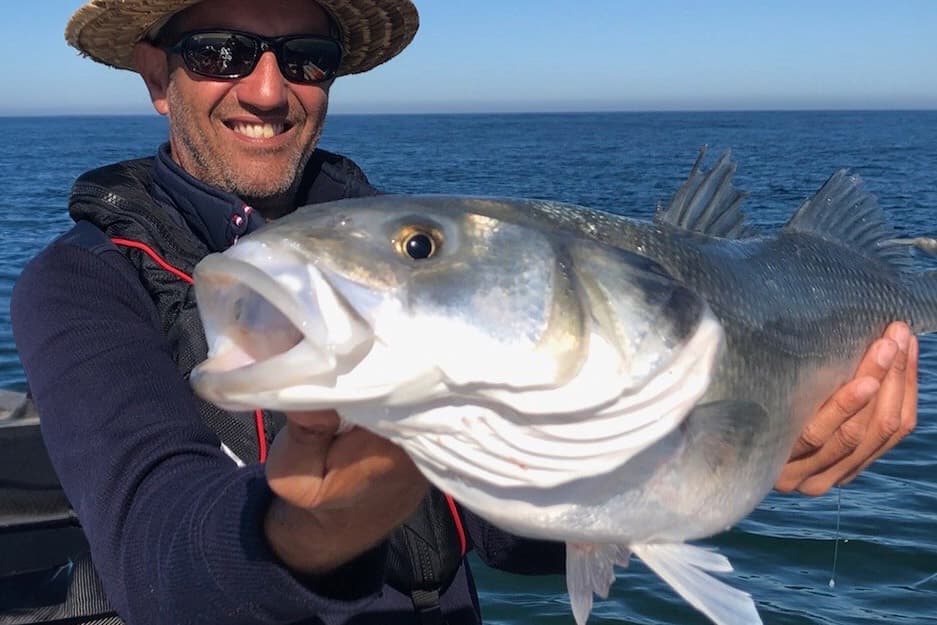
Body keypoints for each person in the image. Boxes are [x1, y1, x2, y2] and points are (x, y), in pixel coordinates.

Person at [7, 0, 918, 623]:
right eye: (219, 53)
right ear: (155, 76)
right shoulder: (84, 283)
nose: (267, 89)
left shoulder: (425, 276)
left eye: (307, 57)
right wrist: (307, 524)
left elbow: (503, 536)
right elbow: (151, 551)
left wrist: (724, 454)